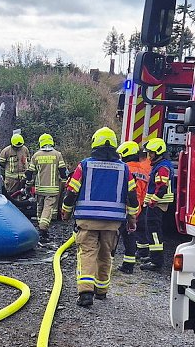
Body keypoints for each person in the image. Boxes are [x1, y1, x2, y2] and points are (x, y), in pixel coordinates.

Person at [61, 127, 139, 307]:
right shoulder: (124, 169)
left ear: (94, 143)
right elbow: (132, 196)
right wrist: (132, 218)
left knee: (87, 253)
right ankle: (102, 291)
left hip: (87, 220)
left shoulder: (85, 165)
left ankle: (86, 292)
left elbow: (72, 191)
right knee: (106, 255)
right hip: (112, 223)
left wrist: (66, 210)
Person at [25, 133, 67, 244]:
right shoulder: (57, 155)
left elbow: (29, 173)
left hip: (39, 188)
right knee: (48, 209)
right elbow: (63, 171)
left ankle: (41, 228)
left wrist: (28, 185)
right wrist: (64, 183)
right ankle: (43, 228)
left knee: (40, 207)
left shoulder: (36, 155)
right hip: (52, 189)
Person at [115, 140, 150, 273]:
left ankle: (107, 263)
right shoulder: (145, 170)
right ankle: (129, 265)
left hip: (122, 207)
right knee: (130, 237)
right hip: (138, 209)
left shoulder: (124, 168)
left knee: (113, 236)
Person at [140, 137, 174, 272]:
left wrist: (153, 201)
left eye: (151, 153)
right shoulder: (161, 165)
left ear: (158, 153)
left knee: (154, 231)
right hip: (157, 204)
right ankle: (153, 256)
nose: (149, 156)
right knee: (152, 230)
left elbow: (162, 187)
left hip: (157, 204)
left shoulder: (162, 168)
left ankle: (156, 261)